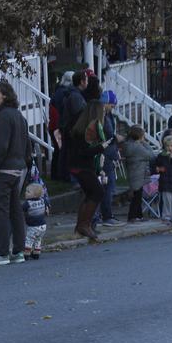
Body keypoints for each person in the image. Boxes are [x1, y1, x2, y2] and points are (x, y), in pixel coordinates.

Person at [0, 81, 30, 266]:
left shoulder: (3, 118)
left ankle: (1, 253)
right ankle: (18, 251)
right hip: (17, 170)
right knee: (15, 211)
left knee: (2, 211)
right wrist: (25, 163)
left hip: (4, 170)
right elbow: (28, 144)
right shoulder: (18, 116)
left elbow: (0, 146)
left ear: (5, 96)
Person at [67, 99, 110, 241]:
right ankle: (84, 225)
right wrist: (101, 147)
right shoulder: (91, 127)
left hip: (77, 165)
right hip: (82, 166)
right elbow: (85, 151)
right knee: (98, 192)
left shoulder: (81, 125)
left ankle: (81, 226)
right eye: (102, 110)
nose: (104, 112)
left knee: (90, 193)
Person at [96, 90, 123, 227]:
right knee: (107, 186)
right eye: (111, 106)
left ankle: (106, 214)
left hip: (110, 153)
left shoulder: (108, 116)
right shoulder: (101, 117)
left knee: (109, 186)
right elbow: (105, 136)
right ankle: (105, 215)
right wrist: (114, 138)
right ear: (105, 103)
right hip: (104, 155)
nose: (112, 108)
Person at [58, 71, 88, 181]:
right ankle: (72, 178)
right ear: (82, 82)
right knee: (71, 155)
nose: (87, 83)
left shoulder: (76, 95)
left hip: (71, 130)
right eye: (86, 80)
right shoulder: (76, 97)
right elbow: (77, 116)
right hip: (73, 131)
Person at [122, 126, 156, 223]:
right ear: (139, 136)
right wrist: (144, 142)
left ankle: (139, 216)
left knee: (137, 196)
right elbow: (151, 155)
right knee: (136, 197)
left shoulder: (128, 145)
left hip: (133, 173)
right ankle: (132, 216)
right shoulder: (137, 147)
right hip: (138, 174)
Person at [22, 182, 49, 259]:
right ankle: (36, 253)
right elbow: (47, 206)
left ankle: (26, 253)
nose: (25, 193)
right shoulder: (43, 200)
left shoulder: (27, 203)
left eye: (28, 192)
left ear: (35, 194)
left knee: (29, 239)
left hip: (33, 226)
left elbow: (22, 210)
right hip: (43, 225)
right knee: (38, 239)